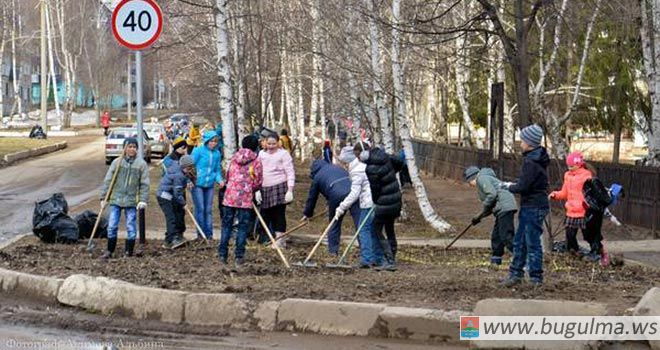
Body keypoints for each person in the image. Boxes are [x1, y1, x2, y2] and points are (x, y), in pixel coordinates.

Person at [500, 124, 549, 287]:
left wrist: (508, 186)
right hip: (534, 205)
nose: (520, 143)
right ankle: (516, 273)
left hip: (532, 206)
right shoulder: (538, 158)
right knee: (520, 241)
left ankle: (535, 278)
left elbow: (523, 186)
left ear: (530, 142)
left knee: (531, 242)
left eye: (522, 140)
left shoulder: (531, 162)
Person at [99, 137, 150, 259]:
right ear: (124, 148)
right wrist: (103, 197)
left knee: (130, 226)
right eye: (129, 147)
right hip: (116, 199)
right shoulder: (117, 163)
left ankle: (129, 251)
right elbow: (108, 180)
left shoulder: (141, 165)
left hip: (131, 201)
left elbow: (144, 184)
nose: (132, 149)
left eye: (134, 147)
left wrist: (143, 199)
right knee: (112, 225)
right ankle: (110, 250)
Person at [219, 135, 263, 266]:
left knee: (226, 225)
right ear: (255, 146)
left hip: (230, 197)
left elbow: (228, 175)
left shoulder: (234, 158)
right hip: (244, 198)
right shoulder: (256, 161)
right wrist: (251, 190)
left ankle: (222, 254)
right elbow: (258, 181)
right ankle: (239, 256)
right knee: (243, 227)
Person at [301, 158, 360, 256]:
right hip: (353, 192)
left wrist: (307, 214)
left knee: (334, 222)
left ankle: (333, 251)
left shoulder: (317, 177)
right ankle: (366, 251)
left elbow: (312, 198)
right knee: (359, 223)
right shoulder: (337, 167)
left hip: (336, 195)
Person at [361, 144, 404, 271]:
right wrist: (390, 174)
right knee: (390, 228)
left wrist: (375, 201)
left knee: (377, 229)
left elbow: (375, 189)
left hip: (384, 202)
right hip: (395, 198)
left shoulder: (371, 168)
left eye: (358, 155)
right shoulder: (383, 155)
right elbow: (400, 162)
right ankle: (392, 257)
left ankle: (389, 259)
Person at [335, 141, 378, 267]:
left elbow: (354, 193)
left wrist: (342, 207)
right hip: (376, 201)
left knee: (363, 230)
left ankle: (367, 259)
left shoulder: (358, 170)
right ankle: (375, 258)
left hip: (368, 203)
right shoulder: (371, 163)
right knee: (373, 230)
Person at [464, 166, 517, 266]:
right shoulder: (486, 179)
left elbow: (492, 195)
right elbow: (489, 207)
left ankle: (521, 257)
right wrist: (478, 217)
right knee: (496, 236)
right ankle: (496, 259)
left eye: (469, 182)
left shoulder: (482, 178)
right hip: (501, 208)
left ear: (472, 178)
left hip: (504, 207)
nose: (470, 185)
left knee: (506, 235)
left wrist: (481, 211)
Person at [549, 151, 593, 257]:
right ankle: (574, 253)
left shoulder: (586, 176)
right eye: (568, 166)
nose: (569, 168)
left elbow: (592, 193)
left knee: (588, 235)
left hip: (583, 211)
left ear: (578, 164)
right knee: (569, 234)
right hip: (571, 211)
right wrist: (555, 194)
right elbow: (564, 193)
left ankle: (596, 251)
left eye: (572, 166)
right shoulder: (567, 176)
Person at [258, 134, 295, 246]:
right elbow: (257, 171)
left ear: (278, 143)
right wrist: (256, 190)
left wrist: (290, 190)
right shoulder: (261, 154)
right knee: (265, 214)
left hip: (279, 186)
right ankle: (267, 239)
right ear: (265, 143)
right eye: (269, 144)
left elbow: (290, 172)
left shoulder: (283, 154)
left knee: (278, 214)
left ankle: (280, 240)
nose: (271, 146)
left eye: (274, 144)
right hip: (264, 187)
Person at [190, 131, 223, 240]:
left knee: (208, 210)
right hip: (197, 184)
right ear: (207, 141)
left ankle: (209, 235)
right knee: (200, 208)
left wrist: (220, 180)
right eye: (211, 141)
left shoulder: (217, 154)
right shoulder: (198, 151)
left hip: (209, 184)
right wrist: (190, 179)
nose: (213, 143)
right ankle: (200, 234)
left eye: (215, 141)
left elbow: (217, 170)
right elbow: (190, 165)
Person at [157, 155, 195, 249]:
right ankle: (171, 241)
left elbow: (185, 176)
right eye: (189, 168)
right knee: (171, 218)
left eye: (191, 167)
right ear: (183, 166)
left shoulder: (178, 167)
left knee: (176, 215)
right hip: (164, 196)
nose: (190, 170)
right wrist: (184, 204)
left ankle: (170, 239)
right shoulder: (178, 175)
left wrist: (188, 180)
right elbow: (177, 193)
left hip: (170, 195)